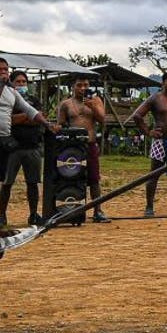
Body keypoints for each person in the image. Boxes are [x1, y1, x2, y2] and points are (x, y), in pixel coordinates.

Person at [0, 57, 59, 234]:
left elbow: (29, 110)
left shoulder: (12, 92)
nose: (3, 73)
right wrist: (2, 86)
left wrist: (47, 124)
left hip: (3, 140)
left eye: (5, 70)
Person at [126, 72, 167, 216]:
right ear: (163, 83)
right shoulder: (155, 98)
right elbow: (138, 115)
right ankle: (149, 207)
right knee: (154, 174)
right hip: (161, 141)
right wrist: (148, 132)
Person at [56, 76, 111, 223]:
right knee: (71, 178)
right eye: (79, 85)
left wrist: (93, 106)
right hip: (72, 146)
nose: (83, 88)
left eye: (86, 85)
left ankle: (97, 210)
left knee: (94, 178)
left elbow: (103, 119)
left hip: (90, 144)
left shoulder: (96, 101)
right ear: (72, 87)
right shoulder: (65, 104)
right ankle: (70, 210)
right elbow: (60, 124)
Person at [0, 70, 45, 227]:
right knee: (7, 182)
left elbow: (39, 118)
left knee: (33, 183)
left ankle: (33, 214)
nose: (22, 85)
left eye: (24, 82)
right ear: (12, 83)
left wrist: (22, 117)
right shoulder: (7, 100)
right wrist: (29, 114)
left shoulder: (34, 100)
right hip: (12, 148)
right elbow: (8, 120)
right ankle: (2, 215)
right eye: (18, 82)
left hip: (32, 147)